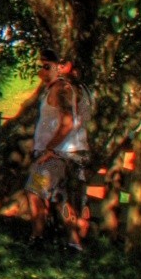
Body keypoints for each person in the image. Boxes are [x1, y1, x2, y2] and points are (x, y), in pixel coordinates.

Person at [26, 54, 93, 251]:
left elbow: (67, 122)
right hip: (73, 151)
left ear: (62, 67)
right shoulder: (79, 90)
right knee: (61, 197)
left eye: (47, 66)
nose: (42, 71)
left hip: (59, 153)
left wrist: (49, 150)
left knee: (34, 189)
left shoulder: (61, 89)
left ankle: (37, 238)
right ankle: (73, 243)